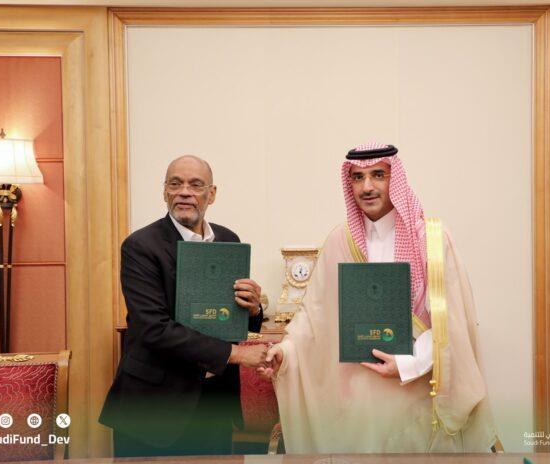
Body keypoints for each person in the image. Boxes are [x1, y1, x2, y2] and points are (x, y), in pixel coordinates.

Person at [259, 143, 497, 453]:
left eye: (378, 175)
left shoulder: (432, 240)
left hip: (416, 390)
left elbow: (451, 322)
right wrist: (285, 352)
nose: (367, 187)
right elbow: (313, 317)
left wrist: (408, 365)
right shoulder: (340, 240)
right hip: (357, 401)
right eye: (358, 178)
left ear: (394, 178)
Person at [99, 155, 268, 457]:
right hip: (154, 410)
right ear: (165, 192)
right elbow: (154, 329)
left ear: (211, 194)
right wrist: (236, 354)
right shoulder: (140, 246)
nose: (184, 192)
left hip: (214, 403)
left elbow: (231, 320)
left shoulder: (228, 240)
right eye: (175, 184)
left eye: (195, 185)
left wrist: (253, 310)